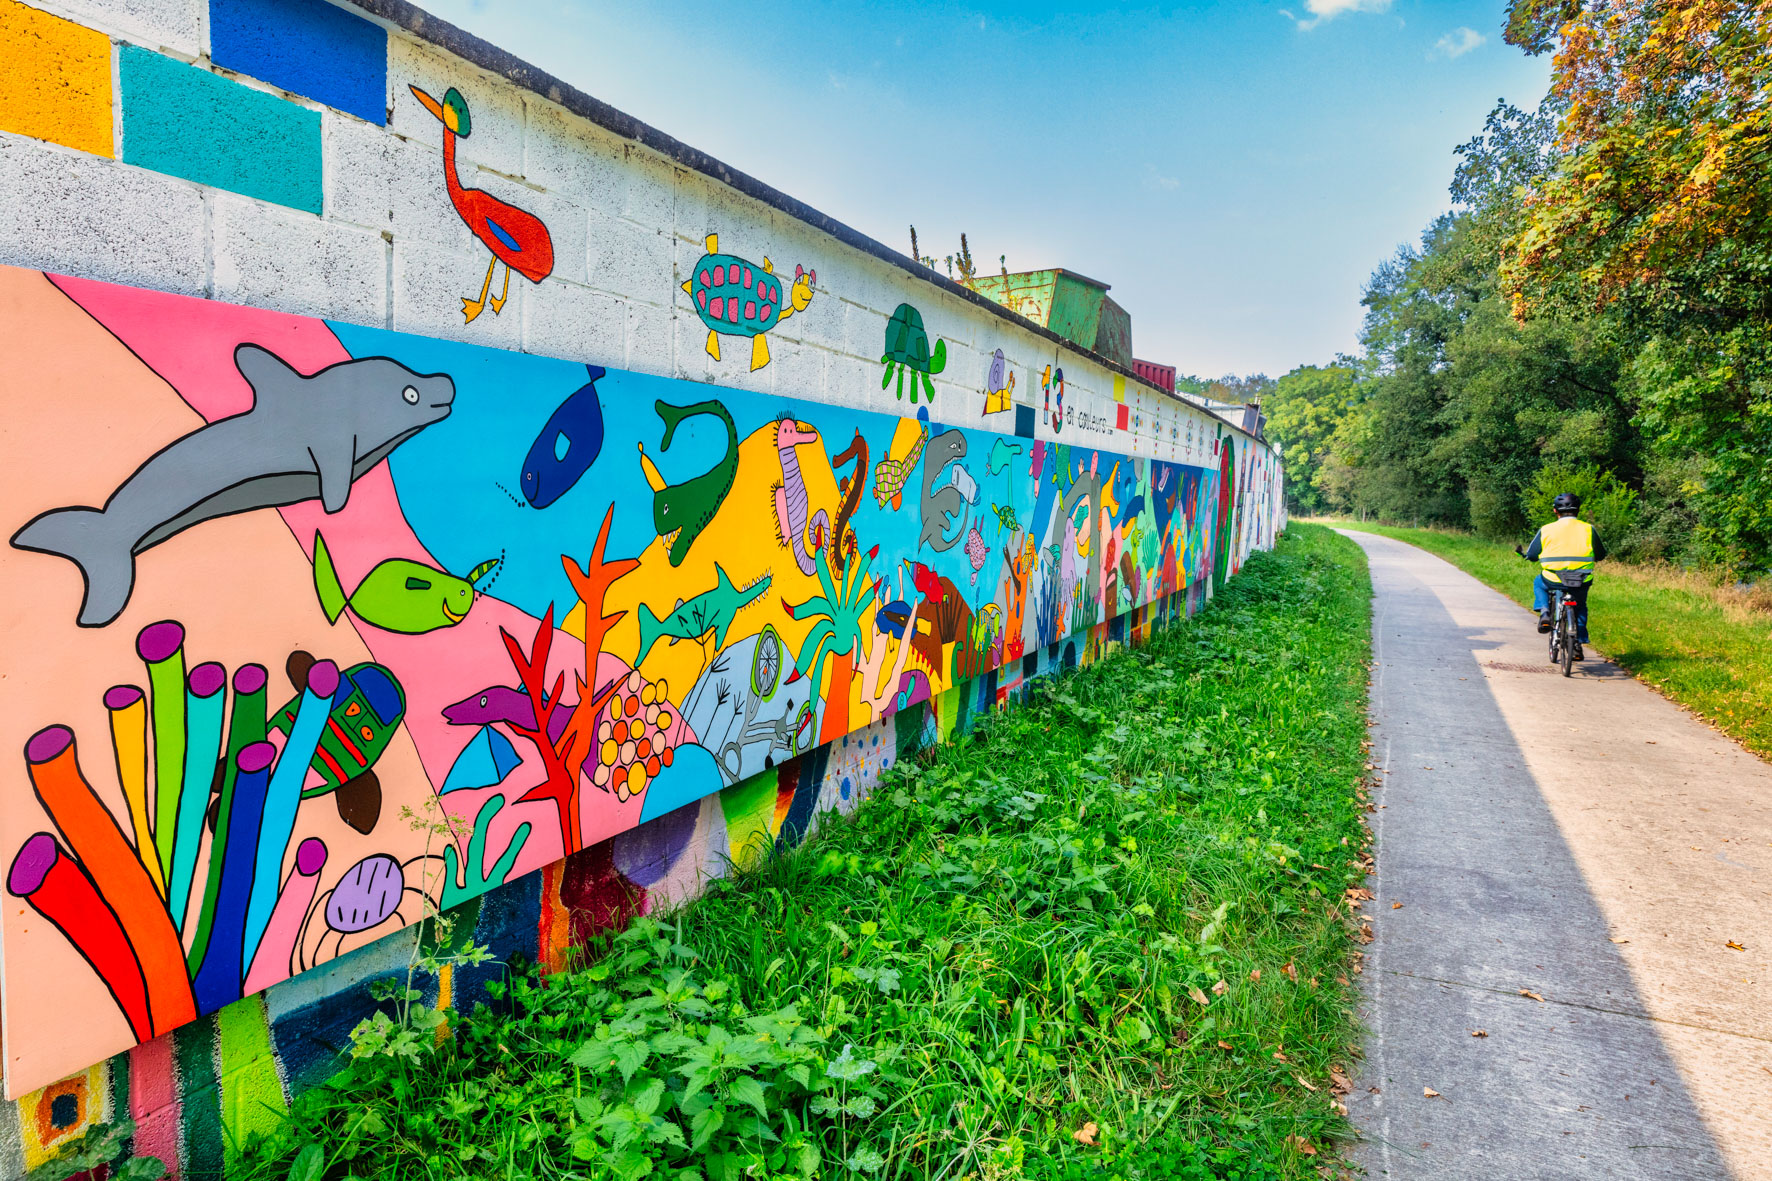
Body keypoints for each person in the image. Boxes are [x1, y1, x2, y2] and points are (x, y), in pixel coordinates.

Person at [1514, 492, 1606, 646]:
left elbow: (1532, 554)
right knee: (1580, 605)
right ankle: (1579, 640)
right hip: (1581, 579)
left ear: (1555, 511)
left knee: (1538, 583)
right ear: (1578, 510)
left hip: (1553, 578)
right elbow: (1601, 554)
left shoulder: (1546, 529)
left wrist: (1529, 556)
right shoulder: (1589, 529)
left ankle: (1545, 612)